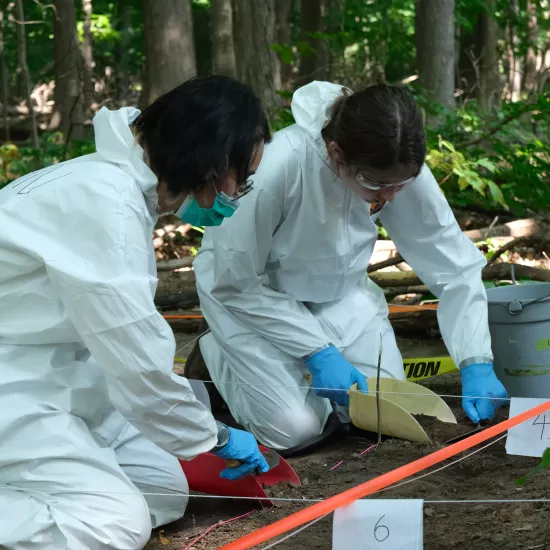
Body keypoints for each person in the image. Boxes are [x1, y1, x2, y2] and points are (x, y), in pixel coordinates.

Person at [0, 75, 271, 550]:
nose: (237, 192)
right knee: (115, 523)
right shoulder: (105, 204)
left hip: (46, 370)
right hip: (13, 383)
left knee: (161, 488)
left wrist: (197, 433)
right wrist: (218, 436)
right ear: (207, 162)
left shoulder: (118, 190)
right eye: (240, 179)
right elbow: (139, 364)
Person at [192, 80, 509, 451]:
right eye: (375, 183)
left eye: (401, 185)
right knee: (296, 429)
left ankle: (303, 377)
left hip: (341, 297)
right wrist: (317, 351)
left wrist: (475, 360)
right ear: (335, 151)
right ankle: (217, 356)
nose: (388, 196)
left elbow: (451, 262)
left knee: (384, 412)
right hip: (254, 304)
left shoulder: (396, 166)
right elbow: (235, 282)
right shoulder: (276, 168)